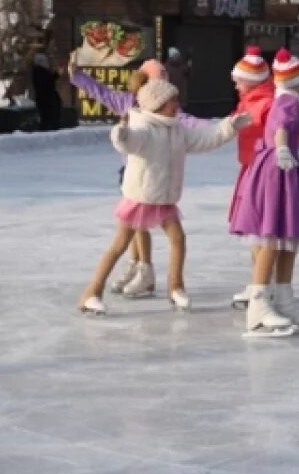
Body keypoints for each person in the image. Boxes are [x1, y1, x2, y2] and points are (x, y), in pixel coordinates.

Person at [77, 79, 246, 316]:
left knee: (178, 239)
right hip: (140, 197)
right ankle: (91, 293)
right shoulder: (144, 128)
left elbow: (205, 138)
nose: (177, 104)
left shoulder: (176, 129)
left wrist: (230, 127)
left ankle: (176, 287)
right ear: (157, 104)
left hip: (164, 198)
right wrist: (121, 134)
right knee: (119, 246)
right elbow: (129, 142)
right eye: (172, 101)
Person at [68, 57, 207, 299]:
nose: (164, 91)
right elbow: (100, 92)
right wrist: (77, 75)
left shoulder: (167, 110)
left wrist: (218, 127)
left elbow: (187, 123)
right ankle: (140, 266)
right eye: (157, 82)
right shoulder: (129, 104)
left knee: (142, 228)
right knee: (134, 226)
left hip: (157, 175)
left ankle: (143, 268)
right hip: (135, 175)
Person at [230, 51, 299, 337]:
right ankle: (259, 305)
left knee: (288, 236)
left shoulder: (291, 101)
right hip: (276, 169)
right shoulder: (285, 101)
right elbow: (281, 128)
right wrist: (283, 147)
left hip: (285, 168)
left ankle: (284, 298)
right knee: (272, 236)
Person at [30, 52, 62, 131]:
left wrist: (56, 75)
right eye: (45, 61)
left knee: (49, 119)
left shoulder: (43, 72)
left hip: (47, 100)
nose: (47, 63)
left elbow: (49, 81)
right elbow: (46, 84)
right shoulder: (39, 72)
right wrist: (56, 75)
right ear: (41, 62)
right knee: (46, 120)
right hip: (45, 100)